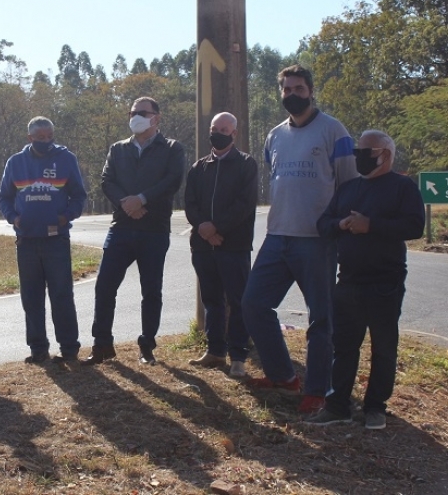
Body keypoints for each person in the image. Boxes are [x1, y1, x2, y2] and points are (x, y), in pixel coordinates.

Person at [241, 64, 358, 414]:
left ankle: (318, 389)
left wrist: (336, 229)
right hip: (278, 235)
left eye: (299, 88)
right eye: (286, 89)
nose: (292, 94)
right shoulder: (274, 135)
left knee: (320, 318)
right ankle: (283, 376)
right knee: (253, 304)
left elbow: (349, 186)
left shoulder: (334, 131)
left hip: (316, 239)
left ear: (311, 90)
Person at [307, 130, 425, 430]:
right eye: (357, 150)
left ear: (385, 155)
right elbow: (324, 224)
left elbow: (414, 226)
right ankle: (337, 406)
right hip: (348, 280)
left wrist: (370, 225)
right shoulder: (348, 189)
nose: (359, 156)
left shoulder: (402, 187)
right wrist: (342, 223)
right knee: (344, 346)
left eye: (365, 151)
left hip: (385, 281)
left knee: (384, 347)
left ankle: (375, 407)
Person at [83, 96, 185, 366]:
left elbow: (172, 181)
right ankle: (102, 344)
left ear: (156, 117)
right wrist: (126, 204)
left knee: (151, 290)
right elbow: (107, 180)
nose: (135, 117)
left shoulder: (172, 148)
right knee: (105, 286)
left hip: (154, 229)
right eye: (132, 113)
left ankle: (147, 345)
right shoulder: (118, 149)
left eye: (141, 112)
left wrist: (141, 199)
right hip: (122, 227)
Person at [0, 116, 87, 363]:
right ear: (30, 138)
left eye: (50, 137)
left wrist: (65, 216)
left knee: (62, 295)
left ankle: (69, 349)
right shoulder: (16, 163)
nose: (46, 141)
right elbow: (3, 197)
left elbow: (79, 196)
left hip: (56, 240)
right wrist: (13, 218)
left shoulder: (66, 159)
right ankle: (38, 349)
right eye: (40, 138)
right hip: (26, 241)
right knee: (31, 297)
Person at [184, 112, 257, 378]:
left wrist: (217, 228)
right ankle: (215, 351)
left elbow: (245, 204)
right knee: (212, 300)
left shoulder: (246, 164)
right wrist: (204, 228)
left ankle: (238, 356)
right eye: (215, 128)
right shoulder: (198, 167)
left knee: (238, 301)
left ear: (234, 134)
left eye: (224, 129)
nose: (218, 133)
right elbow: (189, 202)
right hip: (203, 247)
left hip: (233, 245)